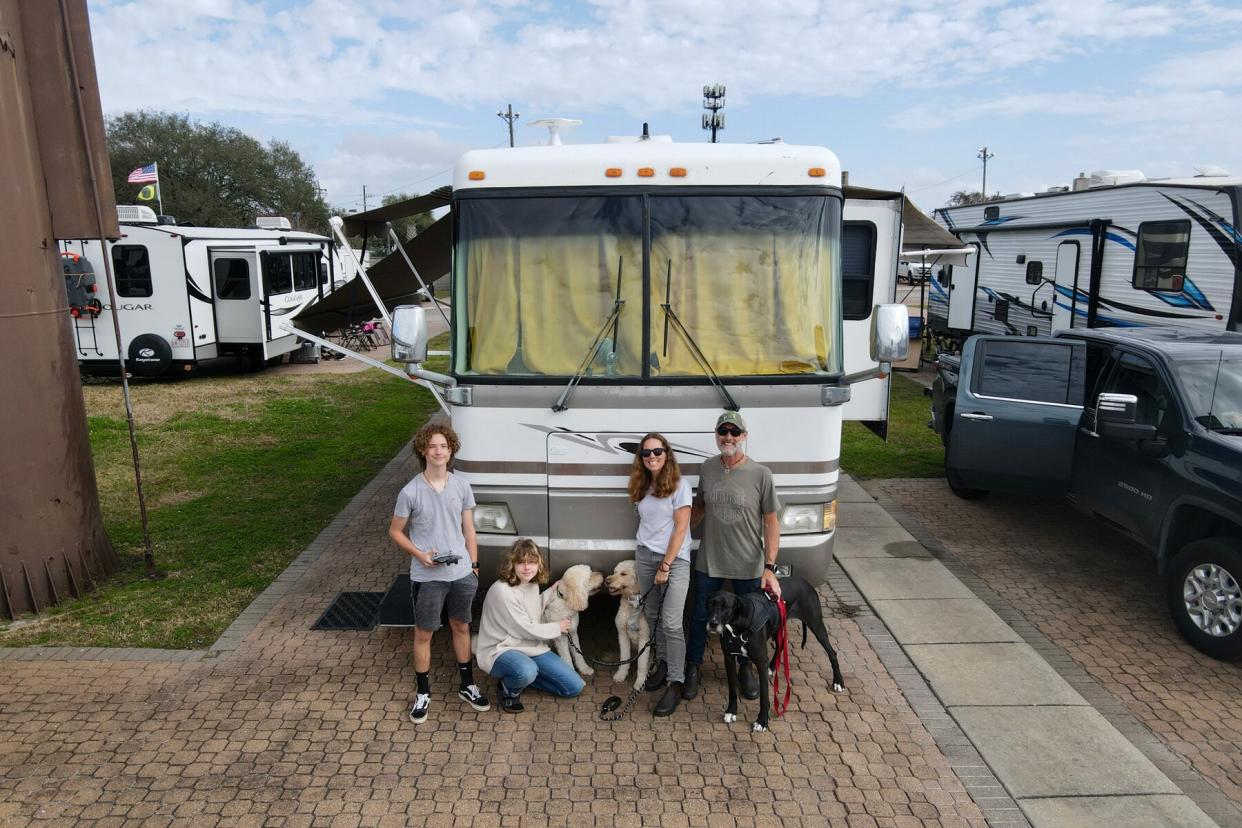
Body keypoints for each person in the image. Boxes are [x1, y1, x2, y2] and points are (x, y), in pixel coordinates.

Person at [388, 422, 490, 724]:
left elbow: (469, 529)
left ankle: (467, 685)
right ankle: (423, 693)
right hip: (427, 577)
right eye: (432, 446)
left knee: (461, 627)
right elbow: (395, 532)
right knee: (424, 633)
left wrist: (473, 565)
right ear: (423, 450)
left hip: (461, 574)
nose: (438, 451)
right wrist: (420, 555)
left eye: (444, 446)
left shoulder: (461, 485)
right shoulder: (410, 491)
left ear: (451, 450)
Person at [683, 410, 781, 701]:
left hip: (748, 564)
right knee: (700, 616)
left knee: (748, 622)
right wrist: (677, 538)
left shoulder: (761, 474)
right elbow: (699, 508)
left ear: (744, 437)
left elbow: (771, 522)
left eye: (734, 432)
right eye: (723, 432)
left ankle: (745, 668)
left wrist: (769, 567)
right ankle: (693, 668)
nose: (728, 437)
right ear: (716, 436)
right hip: (709, 561)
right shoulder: (707, 468)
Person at [476, 539, 585, 711]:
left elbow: (530, 611)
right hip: (502, 648)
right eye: (521, 562)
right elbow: (524, 628)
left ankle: (524, 676)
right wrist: (557, 627)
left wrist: (551, 592)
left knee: (573, 687)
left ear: (539, 563)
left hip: (530, 647)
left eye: (532, 562)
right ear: (512, 564)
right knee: (526, 670)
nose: (527, 568)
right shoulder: (502, 591)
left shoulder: (531, 584)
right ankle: (508, 690)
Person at [628, 432, 692, 716]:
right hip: (644, 556)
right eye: (646, 453)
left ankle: (676, 682)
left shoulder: (680, 485)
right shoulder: (642, 485)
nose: (652, 457)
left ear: (667, 453)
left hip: (674, 560)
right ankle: (663, 662)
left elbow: (680, 529)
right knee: (652, 616)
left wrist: (665, 565)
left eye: (657, 451)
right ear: (641, 458)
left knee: (671, 622)